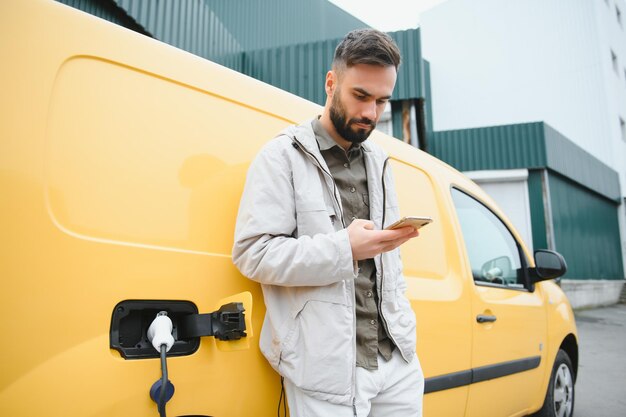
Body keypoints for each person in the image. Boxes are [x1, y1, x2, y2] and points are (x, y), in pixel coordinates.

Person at [232, 28, 424, 417]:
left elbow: (389, 268)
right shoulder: (281, 156)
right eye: (361, 96)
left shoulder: (380, 162)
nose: (371, 113)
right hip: (327, 371)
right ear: (331, 82)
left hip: (397, 361)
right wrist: (344, 249)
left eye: (382, 101)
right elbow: (252, 253)